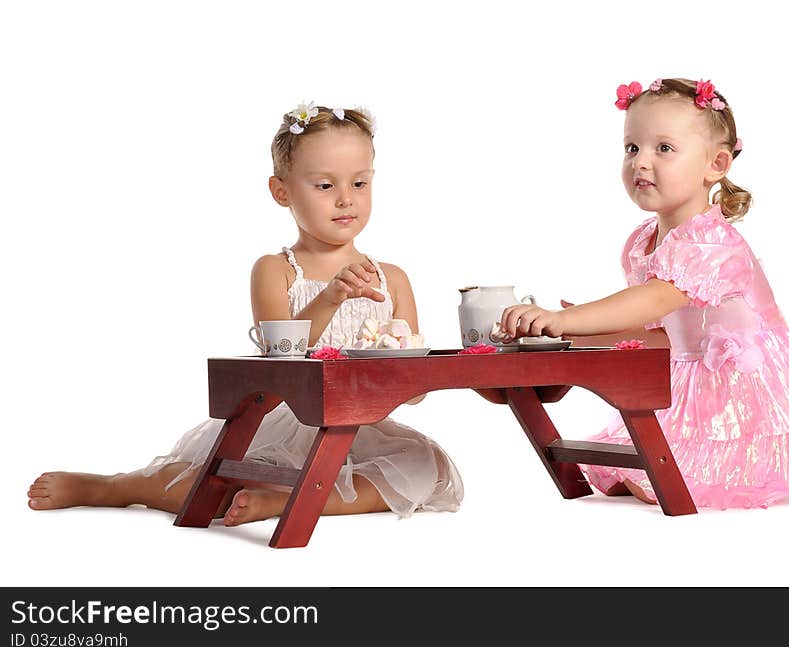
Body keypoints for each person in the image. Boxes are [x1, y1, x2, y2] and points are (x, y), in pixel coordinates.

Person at [28, 103, 464, 524]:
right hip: (286, 422)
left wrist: (405, 376)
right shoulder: (275, 270)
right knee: (211, 491)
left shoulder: (392, 279)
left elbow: (415, 391)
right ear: (282, 191)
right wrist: (331, 297)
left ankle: (282, 500)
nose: (345, 200)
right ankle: (117, 488)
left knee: (428, 468)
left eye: (360, 184)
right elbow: (282, 357)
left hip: (361, 428)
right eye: (325, 186)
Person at [498, 78, 789, 509]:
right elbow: (655, 325)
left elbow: (657, 299)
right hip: (686, 380)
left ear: (715, 164)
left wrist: (566, 319)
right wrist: (584, 329)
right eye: (631, 148)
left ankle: (783, 468)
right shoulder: (642, 242)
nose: (640, 163)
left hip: (740, 384)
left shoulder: (711, 243)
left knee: (670, 475)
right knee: (626, 469)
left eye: (664, 149)